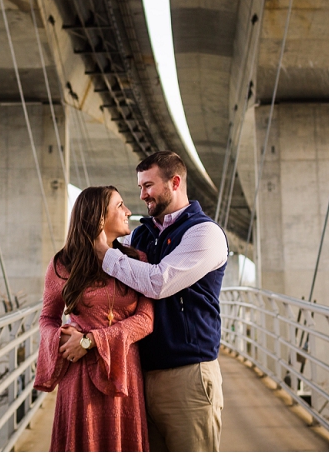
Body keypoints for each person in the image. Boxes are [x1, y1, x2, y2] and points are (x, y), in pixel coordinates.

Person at [95, 151, 229, 452]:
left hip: (188, 378)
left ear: (175, 182)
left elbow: (159, 282)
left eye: (148, 186)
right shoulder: (143, 235)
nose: (142, 195)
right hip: (140, 376)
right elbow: (98, 247)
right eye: (140, 186)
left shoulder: (204, 233)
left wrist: (107, 254)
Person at [34, 186, 154, 452]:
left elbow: (146, 319)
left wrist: (91, 340)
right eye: (120, 205)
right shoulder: (63, 264)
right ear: (100, 217)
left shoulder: (136, 259)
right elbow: (47, 318)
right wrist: (61, 337)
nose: (128, 211)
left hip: (123, 373)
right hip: (79, 379)